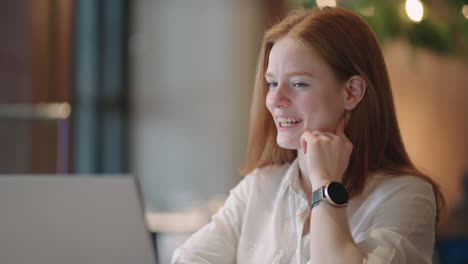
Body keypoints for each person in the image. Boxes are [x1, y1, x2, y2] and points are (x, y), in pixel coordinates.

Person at [172, 7, 444, 264]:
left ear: (352, 92)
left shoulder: (407, 196)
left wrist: (326, 184)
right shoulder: (259, 186)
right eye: (272, 83)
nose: (275, 100)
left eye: (299, 83)